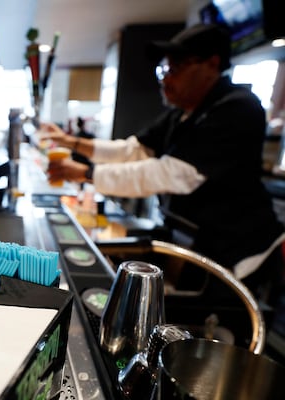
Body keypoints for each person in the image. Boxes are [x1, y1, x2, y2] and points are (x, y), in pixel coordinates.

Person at [41, 23, 284, 303]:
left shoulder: (237, 108)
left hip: (236, 248)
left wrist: (86, 172)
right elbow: (134, 150)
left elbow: (171, 174)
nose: (165, 79)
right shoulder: (181, 113)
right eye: (163, 70)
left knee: (217, 324)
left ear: (211, 64)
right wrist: (70, 142)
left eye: (175, 69)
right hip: (191, 237)